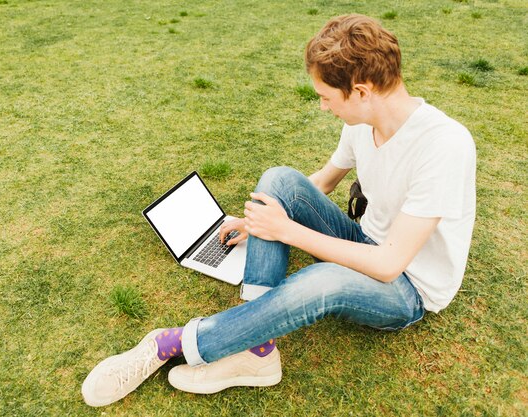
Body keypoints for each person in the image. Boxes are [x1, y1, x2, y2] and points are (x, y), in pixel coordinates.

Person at [81, 14, 476, 407]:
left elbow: (390, 264)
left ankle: (169, 343)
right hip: (366, 240)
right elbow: (321, 181)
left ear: (360, 92)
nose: (323, 108)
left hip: (408, 287)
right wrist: (260, 221)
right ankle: (258, 353)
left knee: (322, 281)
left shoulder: (444, 145)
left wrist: (286, 230)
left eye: (326, 97)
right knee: (278, 181)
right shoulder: (362, 122)